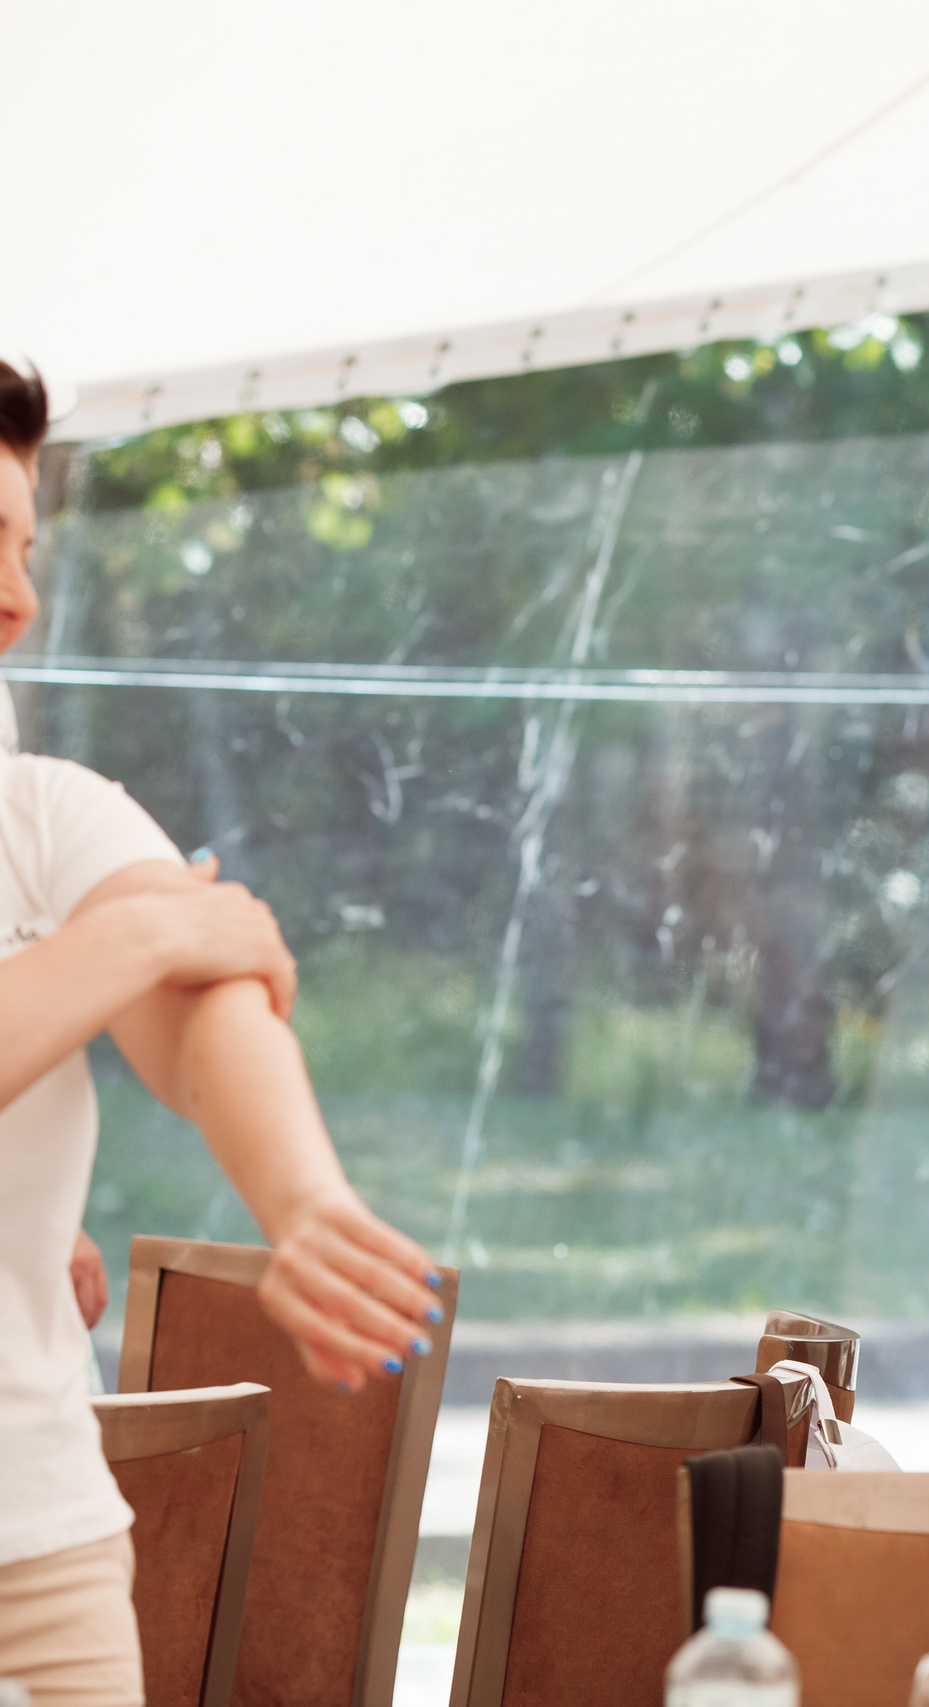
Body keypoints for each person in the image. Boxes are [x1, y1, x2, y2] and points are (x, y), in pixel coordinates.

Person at [0, 359, 443, 1706]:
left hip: (37, 1539)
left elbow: (207, 1013)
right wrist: (129, 942)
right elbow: (167, 944)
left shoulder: (46, 813)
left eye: (26, 551)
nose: (19, 596)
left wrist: (304, 1204)